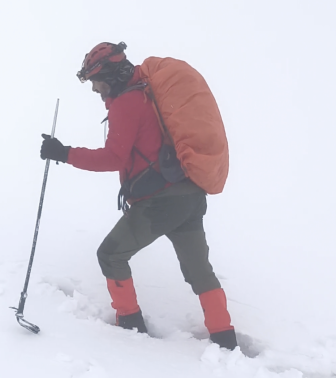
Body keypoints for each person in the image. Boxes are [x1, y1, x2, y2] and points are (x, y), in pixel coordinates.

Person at [39, 42, 238, 350]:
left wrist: (63, 153)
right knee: (199, 271)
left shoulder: (127, 103)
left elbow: (113, 158)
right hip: (189, 195)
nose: (94, 88)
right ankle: (224, 338)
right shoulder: (144, 95)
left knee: (111, 254)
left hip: (161, 202)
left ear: (110, 74)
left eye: (95, 80)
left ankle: (129, 326)